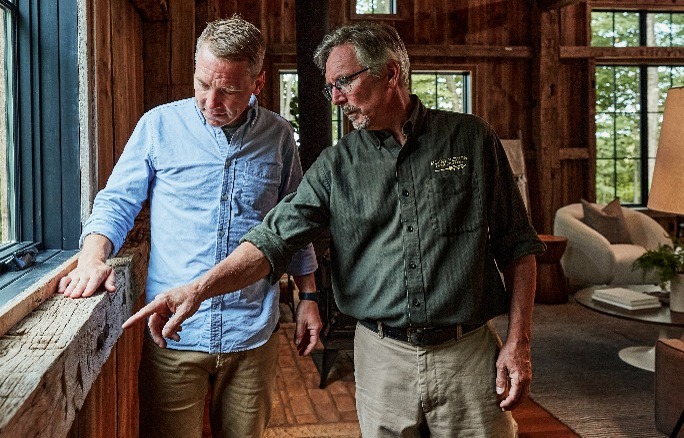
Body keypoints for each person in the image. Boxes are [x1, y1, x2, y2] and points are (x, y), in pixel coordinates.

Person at [123, 21, 546, 437]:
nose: (336, 98)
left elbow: (518, 246)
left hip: (468, 354)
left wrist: (518, 342)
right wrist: (197, 290)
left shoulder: (470, 140)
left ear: (390, 73)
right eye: (331, 88)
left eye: (343, 81)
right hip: (383, 357)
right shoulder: (334, 166)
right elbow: (273, 239)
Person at [58, 16, 322, 438]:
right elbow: (117, 200)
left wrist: (308, 296)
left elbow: (295, 225)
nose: (210, 101)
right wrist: (92, 256)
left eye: (229, 90)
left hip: (252, 334)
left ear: (258, 82)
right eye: (202, 84)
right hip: (172, 335)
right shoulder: (158, 126)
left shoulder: (278, 135)